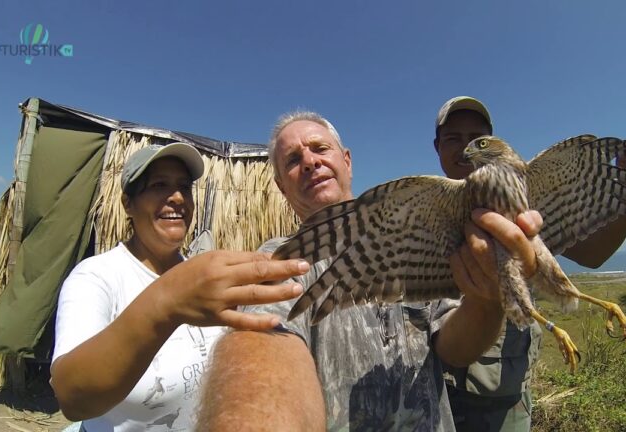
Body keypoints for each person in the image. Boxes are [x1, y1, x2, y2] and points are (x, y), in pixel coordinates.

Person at [198, 112, 545, 431]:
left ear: (347, 161)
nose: (309, 161)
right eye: (293, 160)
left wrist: (486, 301)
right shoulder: (280, 259)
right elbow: (260, 350)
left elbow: (453, 351)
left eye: (320, 148)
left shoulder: (416, 237)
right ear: (280, 185)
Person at [433, 96, 626, 431]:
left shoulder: (525, 184)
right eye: (454, 138)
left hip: (509, 395)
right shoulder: (433, 208)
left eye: (477, 138)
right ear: (437, 146)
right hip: (442, 392)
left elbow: (591, 254)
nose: (467, 147)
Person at [50, 142, 312, 431]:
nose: (176, 197)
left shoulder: (206, 279)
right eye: (159, 185)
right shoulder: (97, 276)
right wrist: (167, 303)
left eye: (184, 187)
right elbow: (73, 398)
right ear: (128, 203)